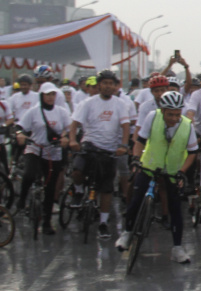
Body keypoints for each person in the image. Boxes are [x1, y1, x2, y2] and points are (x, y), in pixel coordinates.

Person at [115, 91, 197, 263]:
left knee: (176, 209)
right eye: (170, 114)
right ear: (162, 110)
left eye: (177, 114)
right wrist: (136, 159)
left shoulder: (187, 126)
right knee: (136, 199)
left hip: (173, 171)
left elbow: (192, 153)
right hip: (149, 166)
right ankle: (127, 233)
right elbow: (140, 141)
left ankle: (177, 248)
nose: (174, 118)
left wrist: (182, 171)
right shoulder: (152, 117)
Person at [68, 69, 132, 240]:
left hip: (109, 150)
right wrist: (73, 140)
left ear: (115, 86)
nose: (108, 86)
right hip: (89, 145)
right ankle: (79, 191)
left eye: (111, 83)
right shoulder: (88, 103)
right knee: (77, 172)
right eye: (104, 83)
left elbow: (125, 126)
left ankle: (103, 223)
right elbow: (74, 124)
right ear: (99, 85)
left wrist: (123, 146)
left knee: (106, 188)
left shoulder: (121, 104)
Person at [15, 83, 72, 234]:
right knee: (29, 174)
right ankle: (22, 199)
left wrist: (66, 138)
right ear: (41, 95)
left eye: (53, 94)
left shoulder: (61, 112)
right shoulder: (33, 112)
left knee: (50, 187)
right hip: (35, 149)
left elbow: (69, 129)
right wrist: (20, 134)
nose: (50, 97)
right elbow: (20, 127)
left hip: (53, 152)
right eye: (47, 94)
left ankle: (46, 222)